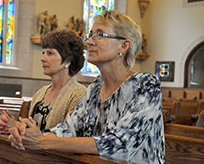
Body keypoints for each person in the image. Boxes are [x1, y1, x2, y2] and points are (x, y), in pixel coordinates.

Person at [8, 10, 165, 164]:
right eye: (90, 35)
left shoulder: (145, 85)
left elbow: (120, 143)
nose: (89, 41)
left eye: (100, 35)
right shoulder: (95, 89)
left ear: (123, 46)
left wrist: (43, 142)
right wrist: (25, 134)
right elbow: (67, 130)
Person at [0, 30, 86, 133]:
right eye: (43, 53)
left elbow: (66, 135)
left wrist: (17, 125)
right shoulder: (40, 93)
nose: (42, 58)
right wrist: (9, 126)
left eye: (50, 53)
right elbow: (32, 131)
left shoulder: (79, 94)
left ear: (68, 61)